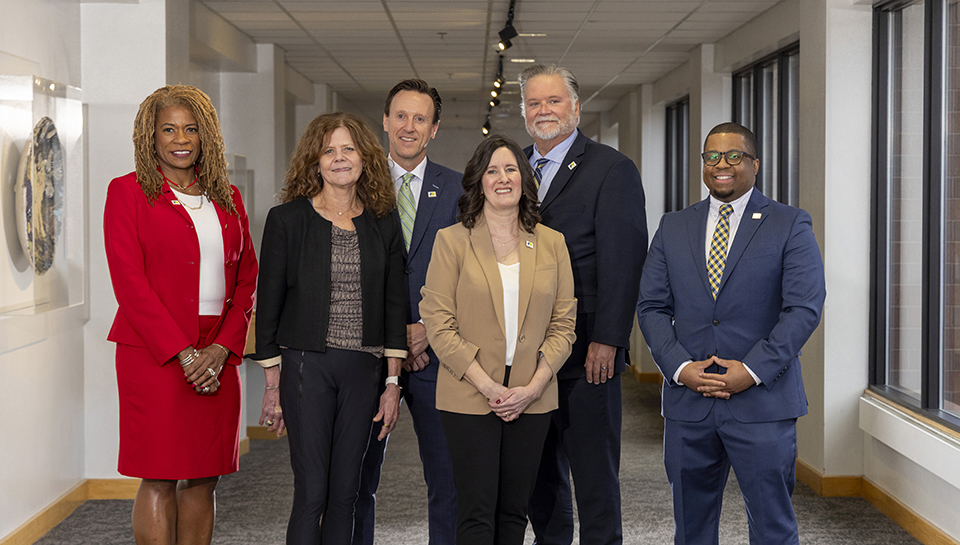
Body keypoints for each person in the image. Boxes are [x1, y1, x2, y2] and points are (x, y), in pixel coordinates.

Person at [637, 122, 826, 544]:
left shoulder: (789, 224)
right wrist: (680, 368)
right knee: (691, 530)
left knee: (772, 528)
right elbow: (651, 306)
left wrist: (752, 370)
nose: (722, 164)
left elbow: (803, 309)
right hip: (689, 403)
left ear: (755, 164)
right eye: (712, 156)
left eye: (734, 155)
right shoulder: (673, 226)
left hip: (762, 403)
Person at [103, 84, 258, 545]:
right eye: (168, 129)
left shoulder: (227, 197)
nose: (180, 139)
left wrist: (222, 347)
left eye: (191, 128)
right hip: (155, 354)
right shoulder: (127, 192)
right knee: (160, 474)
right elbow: (130, 284)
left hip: (217, 353)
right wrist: (185, 354)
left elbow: (247, 278)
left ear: (205, 134)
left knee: (205, 474)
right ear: (150, 136)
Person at [249, 111, 407, 544]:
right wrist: (272, 384)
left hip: (364, 370)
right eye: (328, 151)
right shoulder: (287, 220)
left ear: (364, 158)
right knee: (312, 492)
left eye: (348, 149)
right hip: (307, 369)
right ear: (314, 162)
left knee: (346, 493)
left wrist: (393, 383)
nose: (339, 158)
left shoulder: (383, 220)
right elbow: (269, 304)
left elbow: (395, 305)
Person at [420, 134, 576, 545]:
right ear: (479, 181)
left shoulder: (552, 243)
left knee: (514, 513)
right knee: (475, 515)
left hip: (532, 396)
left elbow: (564, 325)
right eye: (492, 171)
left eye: (510, 169)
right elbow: (437, 321)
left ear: (524, 179)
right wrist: (488, 386)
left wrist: (534, 387)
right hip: (469, 394)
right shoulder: (452, 240)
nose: (502, 178)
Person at [519, 64, 647, 545]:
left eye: (553, 101)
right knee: (538, 478)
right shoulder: (512, 168)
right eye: (534, 103)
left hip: (587, 352)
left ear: (575, 106)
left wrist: (609, 339)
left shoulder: (611, 169)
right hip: (524, 353)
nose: (544, 111)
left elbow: (624, 261)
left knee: (594, 477)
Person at [354, 79, 462, 545]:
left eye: (420, 118)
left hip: (438, 355)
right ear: (385, 120)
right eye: (400, 115)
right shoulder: (354, 185)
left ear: (434, 129)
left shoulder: (459, 189)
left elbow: (472, 273)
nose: (409, 126)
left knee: (448, 481)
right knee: (357, 479)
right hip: (368, 352)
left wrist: (427, 329)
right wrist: (394, 334)